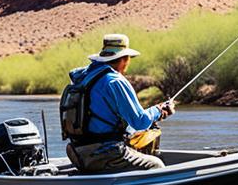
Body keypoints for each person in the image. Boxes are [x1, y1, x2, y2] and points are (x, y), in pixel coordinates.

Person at [62, 33, 175, 173]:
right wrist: (158, 111)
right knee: (156, 165)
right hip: (104, 154)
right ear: (123, 59)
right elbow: (140, 122)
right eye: (129, 58)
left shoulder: (84, 78)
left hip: (78, 153)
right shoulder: (115, 81)